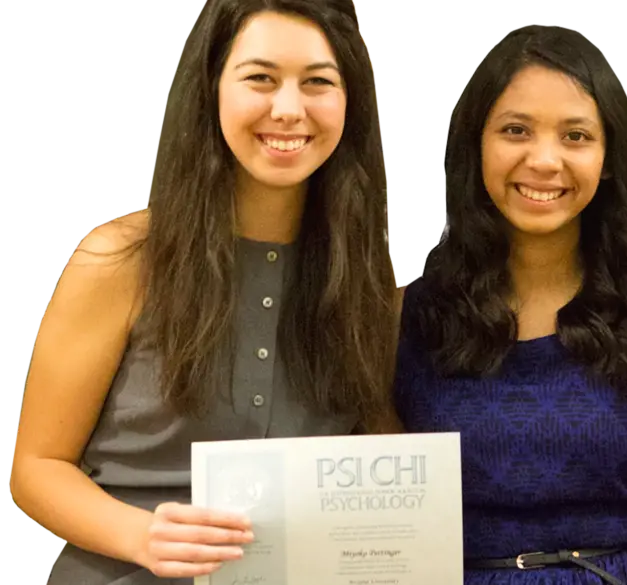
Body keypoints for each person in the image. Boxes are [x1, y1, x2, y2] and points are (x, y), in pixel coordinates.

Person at [9, 0, 401, 583]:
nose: (289, 109)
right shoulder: (119, 258)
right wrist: (141, 536)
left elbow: (385, 461)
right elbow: (36, 468)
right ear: (212, 88)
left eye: (318, 82)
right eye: (260, 79)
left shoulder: (368, 279)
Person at [393, 24, 627, 585]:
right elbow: (381, 536)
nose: (544, 160)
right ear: (474, 145)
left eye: (576, 136)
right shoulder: (402, 318)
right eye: (515, 130)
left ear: (609, 158)